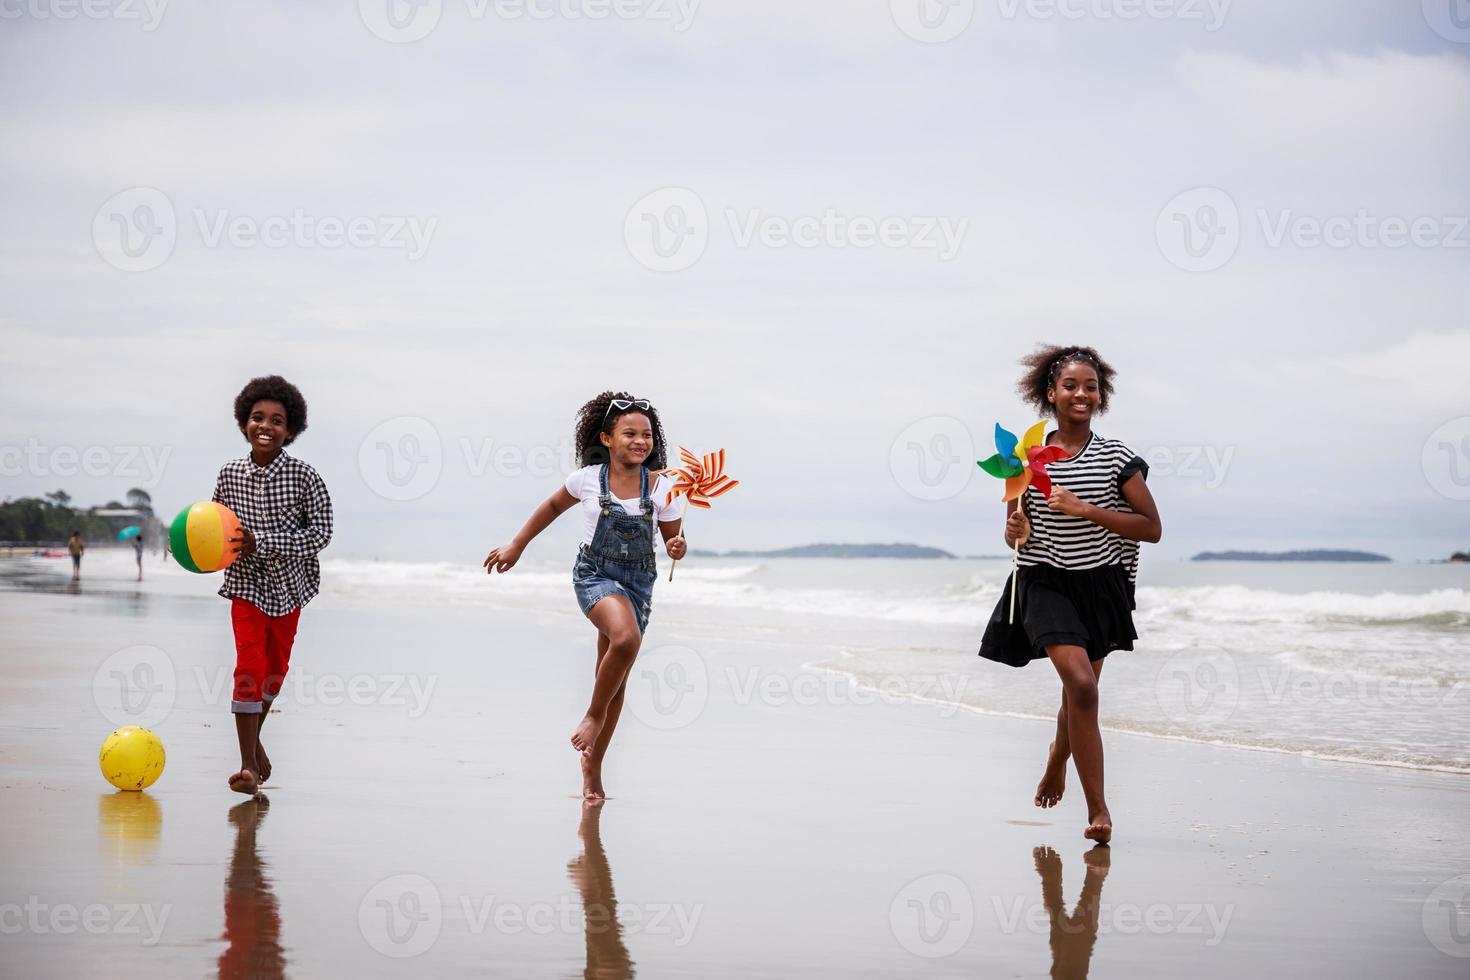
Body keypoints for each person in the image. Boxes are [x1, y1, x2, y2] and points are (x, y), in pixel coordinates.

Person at [978, 346, 1162, 845]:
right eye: (1071, 386)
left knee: (1077, 694)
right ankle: (1099, 808)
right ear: (1049, 394)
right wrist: (1015, 526)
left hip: (1101, 584)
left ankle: (1058, 758)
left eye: (1091, 387)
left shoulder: (1117, 458)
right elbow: (1016, 534)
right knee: (1082, 687)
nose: (1082, 394)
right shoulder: (1023, 459)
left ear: (1100, 395)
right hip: (1044, 581)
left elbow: (1151, 528)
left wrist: (1084, 509)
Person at [483, 392, 687, 801]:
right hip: (594, 575)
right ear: (607, 438)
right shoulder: (588, 479)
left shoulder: (665, 487)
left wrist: (679, 546)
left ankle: (592, 766)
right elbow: (551, 507)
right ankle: (593, 717)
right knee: (625, 641)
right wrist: (516, 546)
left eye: (646, 435)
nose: (639, 441)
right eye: (629, 433)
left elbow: (672, 541)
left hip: (639, 582)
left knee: (615, 678)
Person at [212, 375, 333, 796]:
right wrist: (189, 548)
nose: (266, 425)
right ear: (243, 422)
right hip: (245, 587)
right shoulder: (228, 475)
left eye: (277, 420)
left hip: (289, 589)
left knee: (274, 677)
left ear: (291, 430)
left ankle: (255, 743)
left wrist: (262, 541)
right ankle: (247, 767)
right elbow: (212, 527)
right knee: (248, 669)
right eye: (257, 417)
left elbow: (320, 534)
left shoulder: (305, 477)